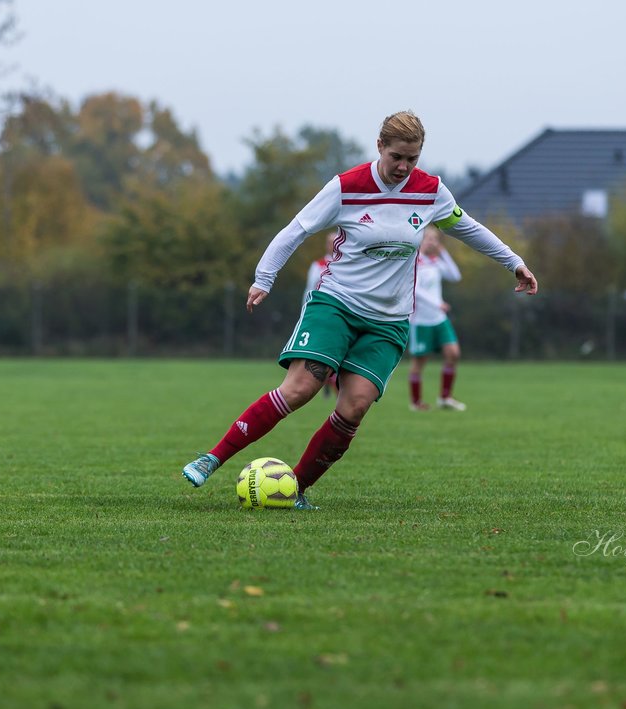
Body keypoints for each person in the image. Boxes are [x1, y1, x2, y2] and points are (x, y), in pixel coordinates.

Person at [181, 110, 538, 509]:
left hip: (389, 322)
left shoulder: (431, 191)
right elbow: (295, 230)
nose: (403, 167)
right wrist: (263, 279)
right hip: (337, 304)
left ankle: (293, 489)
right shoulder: (345, 187)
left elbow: (467, 227)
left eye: (413, 158)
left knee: (354, 407)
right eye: (397, 157)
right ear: (380, 147)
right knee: (300, 390)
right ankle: (211, 459)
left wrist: (514, 262)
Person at [407, 225, 464, 411]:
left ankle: (445, 397)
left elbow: (456, 276)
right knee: (419, 362)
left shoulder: (435, 261)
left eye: (435, 239)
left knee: (453, 353)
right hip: (421, 320)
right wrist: (436, 303)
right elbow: (415, 289)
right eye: (429, 238)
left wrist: (443, 252)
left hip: (439, 318)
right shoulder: (413, 261)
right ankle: (416, 402)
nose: (433, 242)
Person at [304, 231, 340, 396]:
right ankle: (326, 385)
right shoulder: (318, 265)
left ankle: (333, 384)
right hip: (321, 314)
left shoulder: (349, 264)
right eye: (331, 242)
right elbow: (310, 289)